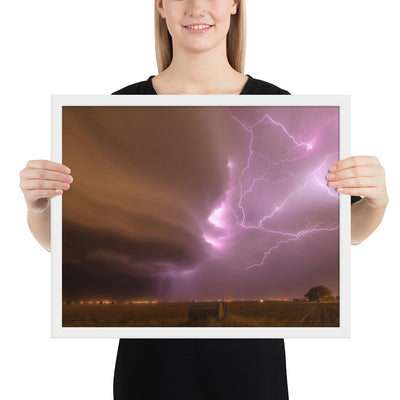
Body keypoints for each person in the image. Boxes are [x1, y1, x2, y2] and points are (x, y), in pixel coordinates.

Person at [19, 0, 389, 399]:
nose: (198, 7)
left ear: (234, 5)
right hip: (150, 375)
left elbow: (345, 234)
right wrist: (37, 206)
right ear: (161, 6)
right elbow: (57, 242)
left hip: (251, 376)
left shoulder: (279, 100)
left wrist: (376, 201)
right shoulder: (118, 104)